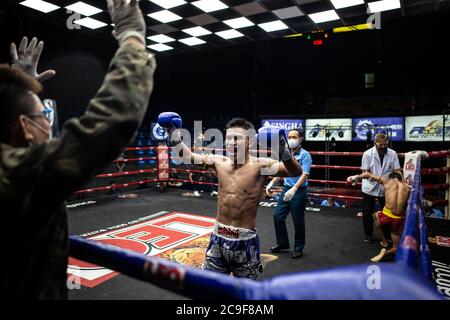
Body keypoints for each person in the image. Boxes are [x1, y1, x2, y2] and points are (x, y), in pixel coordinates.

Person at [0, 0, 156, 299]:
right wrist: (132, 36)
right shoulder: (15, 174)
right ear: (22, 126)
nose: (48, 124)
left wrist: (21, 91)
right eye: (42, 116)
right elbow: (110, 122)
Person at [158, 114, 302, 279]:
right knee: (212, 289)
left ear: (250, 142)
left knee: (245, 293)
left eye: (237, 138)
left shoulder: (261, 166)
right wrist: (172, 134)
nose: (232, 143)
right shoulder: (218, 162)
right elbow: (187, 156)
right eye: (229, 138)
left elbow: (295, 171)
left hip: (245, 242)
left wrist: (283, 148)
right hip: (217, 238)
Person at [266, 129, 312, 259]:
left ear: (300, 139)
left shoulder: (305, 155)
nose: (291, 139)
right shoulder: (286, 154)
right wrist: (272, 182)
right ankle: (282, 243)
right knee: (277, 216)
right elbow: (282, 172)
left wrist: (295, 189)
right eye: (289, 136)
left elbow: (305, 174)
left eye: (294, 137)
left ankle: (298, 247)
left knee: (298, 220)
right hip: (286, 188)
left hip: (298, 191)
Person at [347, 172, 410, 262]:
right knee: (396, 247)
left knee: (375, 216)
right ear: (400, 179)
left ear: (390, 178)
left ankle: (384, 242)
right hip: (399, 219)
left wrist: (354, 177)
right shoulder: (408, 188)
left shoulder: (387, 182)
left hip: (386, 216)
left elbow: (368, 174)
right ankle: (387, 251)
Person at [359, 133, 402, 243]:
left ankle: (387, 236)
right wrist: (377, 178)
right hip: (369, 187)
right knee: (367, 212)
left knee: (388, 213)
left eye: (385, 144)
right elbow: (365, 172)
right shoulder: (367, 154)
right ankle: (368, 235)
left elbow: (397, 170)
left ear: (387, 143)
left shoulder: (392, 154)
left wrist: (398, 182)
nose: (383, 147)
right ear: (375, 143)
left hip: (386, 188)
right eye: (380, 145)